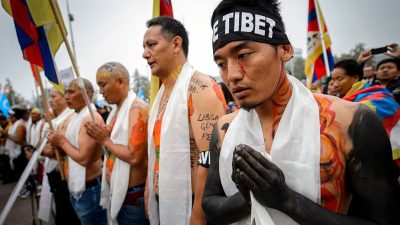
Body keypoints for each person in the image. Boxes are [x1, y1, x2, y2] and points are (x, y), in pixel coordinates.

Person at [202, 1, 400, 225]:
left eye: (244, 55)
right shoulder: (224, 129)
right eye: (221, 63)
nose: (232, 75)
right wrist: (247, 197)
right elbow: (209, 205)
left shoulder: (351, 122)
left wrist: (287, 200)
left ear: (285, 50)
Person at [142, 16, 227, 224]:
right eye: (144, 47)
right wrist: (148, 190)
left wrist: (198, 214)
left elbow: (210, 158)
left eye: (152, 45)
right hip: (163, 200)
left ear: (176, 44)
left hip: (191, 204)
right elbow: (156, 151)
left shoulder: (200, 87)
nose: (145, 54)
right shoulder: (162, 94)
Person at [85, 62, 149, 225]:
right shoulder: (117, 111)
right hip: (121, 193)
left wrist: (105, 140)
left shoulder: (137, 109)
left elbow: (135, 157)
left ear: (120, 81)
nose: (100, 91)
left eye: (103, 85)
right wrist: (104, 135)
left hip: (133, 197)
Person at [47, 78, 107, 225]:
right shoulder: (77, 116)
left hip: (90, 189)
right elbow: (69, 147)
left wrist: (61, 141)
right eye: (65, 93)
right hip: (79, 188)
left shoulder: (90, 119)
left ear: (87, 94)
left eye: (71, 92)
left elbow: (84, 159)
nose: (66, 97)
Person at [42, 87, 81, 225]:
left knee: (69, 216)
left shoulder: (71, 117)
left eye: (53, 96)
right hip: (53, 173)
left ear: (64, 98)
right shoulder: (55, 120)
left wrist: (45, 149)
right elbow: (44, 146)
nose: (50, 100)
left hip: (66, 175)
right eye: (50, 97)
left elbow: (58, 150)